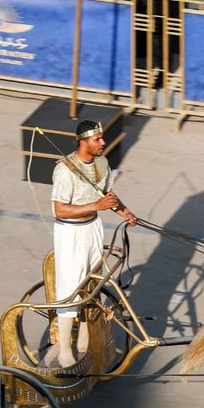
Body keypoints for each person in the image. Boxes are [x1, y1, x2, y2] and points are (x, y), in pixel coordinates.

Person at [50, 120, 137, 367]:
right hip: (71, 233)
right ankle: (64, 350)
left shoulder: (102, 164)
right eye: (97, 139)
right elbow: (60, 209)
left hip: (93, 228)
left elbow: (108, 197)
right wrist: (95, 206)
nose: (103, 143)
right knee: (71, 287)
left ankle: (84, 342)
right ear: (83, 142)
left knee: (92, 285)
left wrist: (126, 213)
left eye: (102, 138)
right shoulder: (65, 170)